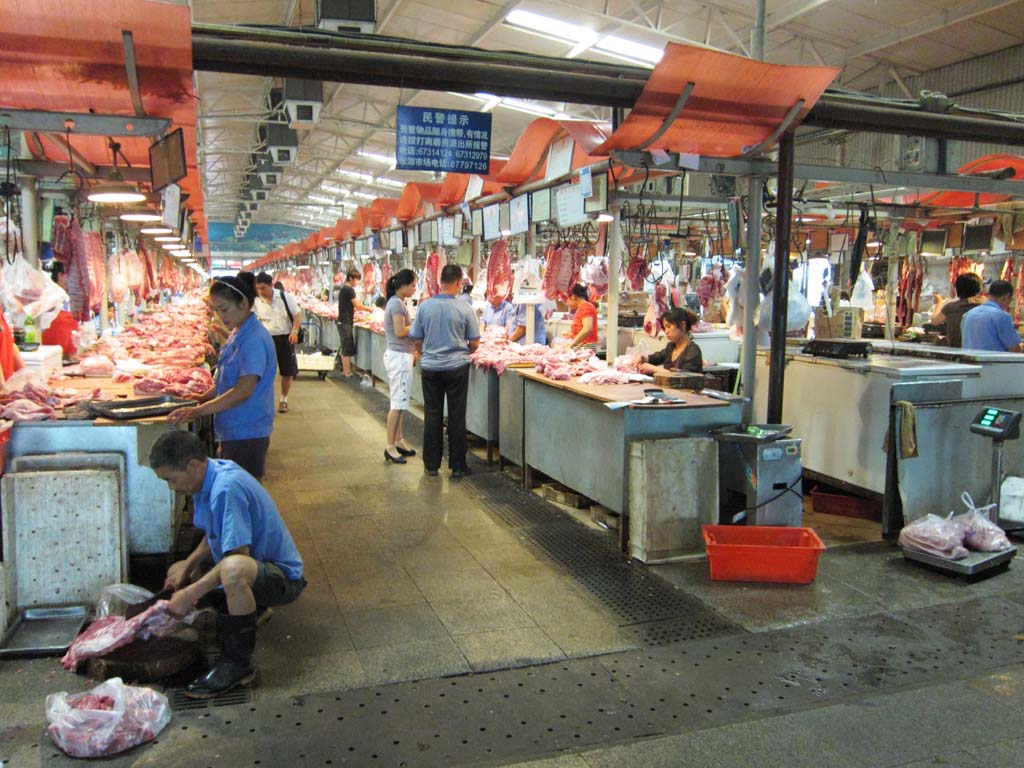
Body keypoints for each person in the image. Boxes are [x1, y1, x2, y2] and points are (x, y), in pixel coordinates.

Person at [149, 430, 305, 698]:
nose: (171, 487)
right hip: (260, 565)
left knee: (231, 572)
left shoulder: (225, 488)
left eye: (171, 480)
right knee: (195, 572)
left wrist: (191, 592)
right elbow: (216, 534)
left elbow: (236, 559)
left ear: (193, 466)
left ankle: (238, 665)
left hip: (284, 579)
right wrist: (187, 565)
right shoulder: (208, 476)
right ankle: (253, 611)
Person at [168, 274, 277, 480]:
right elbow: (224, 381)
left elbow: (243, 391)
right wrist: (200, 398)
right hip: (232, 428)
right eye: (217, 311)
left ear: (243, 303)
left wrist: (199, 410)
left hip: (247, 430)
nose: (221, 316)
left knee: (241, 493)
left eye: (224, 309)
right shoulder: (239, 332)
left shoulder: (253, 339)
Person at [409, 264, 480, 478]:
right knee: (457, 416)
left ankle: (431, 465)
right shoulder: (465, 309)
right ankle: (458, 466)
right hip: (457, 368)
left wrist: (425, 353)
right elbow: (475, 342)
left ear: (441, 281)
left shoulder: (424, 307)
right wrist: (462, 352)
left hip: (431, 368)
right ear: (458, 283)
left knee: (433, 415)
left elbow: (416, 338)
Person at [383, 269, 419, 464]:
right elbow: (399, 331)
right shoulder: (396, 304)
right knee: (397, 403)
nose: (414, 288)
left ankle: (399, 440)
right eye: (413, 285)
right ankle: (390, 446)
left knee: (400, 401)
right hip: (398, 357)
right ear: (403, 285)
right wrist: (418, 325)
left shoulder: (396, 302)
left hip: (399, 356)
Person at [254, 272, 302, 413]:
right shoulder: (256, 301)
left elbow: (297, 314)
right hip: (265, 339)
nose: (261, 291)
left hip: (284, 337)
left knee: (287, 371)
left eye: (263, 288)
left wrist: (294, 331)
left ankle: (283, 400)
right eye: (258, 288)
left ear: (271, 285)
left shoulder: (283, 297)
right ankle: (265, 402)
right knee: (263, 372)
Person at [961, 279, 1024, 352]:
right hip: (994, 362)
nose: (1009, 303)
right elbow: (1014, 349)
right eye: (1011, 299)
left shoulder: (967, 315)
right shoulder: (1002, 316)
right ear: (1006, 297)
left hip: (968, 362)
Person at [639, 308, 704, 374]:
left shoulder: (693, 351)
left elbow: (684, 376)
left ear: (682, 325)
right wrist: (643, 358)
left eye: (668, 326)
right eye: (664, 328)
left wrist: (655, 370)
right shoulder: (671, 347)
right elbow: (656, 357)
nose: (666, 331)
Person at [930, 273, 983, 348]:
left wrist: (939, 302)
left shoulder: (951, 307)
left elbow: (934, 321)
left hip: (956, 349)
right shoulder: (985, 305)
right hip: (979, 350)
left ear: (957, 289)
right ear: (979, 289)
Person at [338, 269, 372, 377]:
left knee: (345, 346)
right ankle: (347, 371)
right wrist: (369, 309)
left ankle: (346, 369)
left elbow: (350, 306)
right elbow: (357, 305)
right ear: (351, 278)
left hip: (343, 321)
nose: (357, 282)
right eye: (357, 279)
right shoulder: (349, 290)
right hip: (345, 322)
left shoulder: (344, 289)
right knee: (347, 346)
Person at [564, 283, 598, 348]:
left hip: (586, 346)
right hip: (581, 345)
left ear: (573, 296)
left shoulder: (586, 307)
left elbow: (587, 329)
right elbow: (582, 328)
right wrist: (572, 334)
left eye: (567, 299)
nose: (566, 302)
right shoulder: (581, 307)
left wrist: (571, 344)